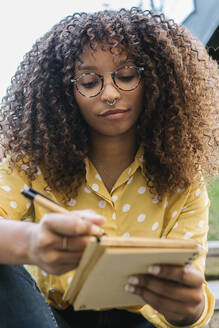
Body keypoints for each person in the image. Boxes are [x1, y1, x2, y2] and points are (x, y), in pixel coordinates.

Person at [0, 7, 218, 328]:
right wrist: (29, 242)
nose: (111, 94)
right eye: (89, 82)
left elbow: (191, 286)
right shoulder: (32, 163)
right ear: (64, 92)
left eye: (127, 76)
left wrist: (191, 309)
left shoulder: (183, 181)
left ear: (157, 79)